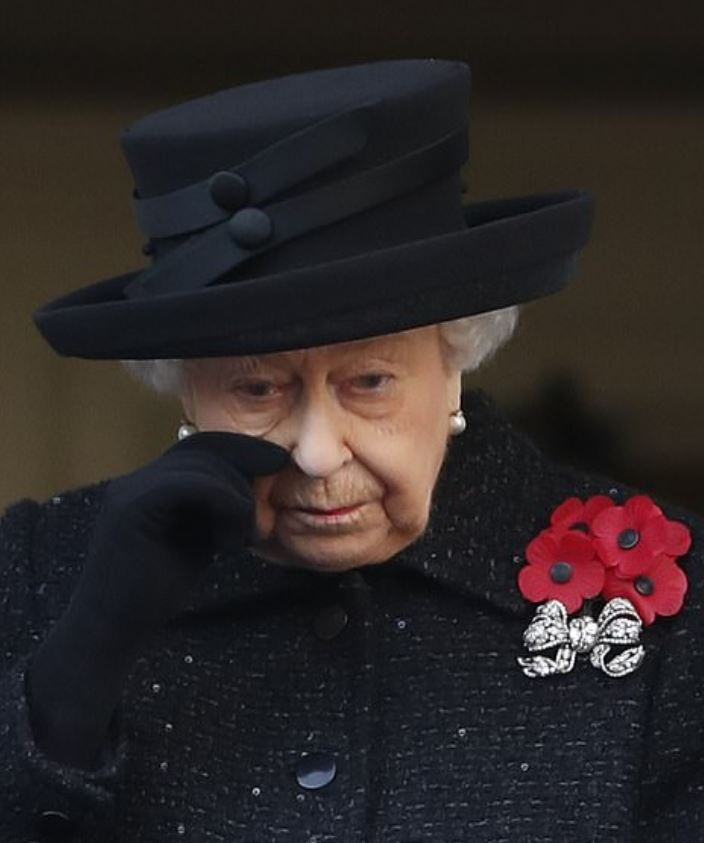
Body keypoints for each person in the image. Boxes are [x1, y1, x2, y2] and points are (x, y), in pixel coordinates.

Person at [1, 59, 701, 843]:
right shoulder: (32, 571)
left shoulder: (679, 615)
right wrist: (72, 678)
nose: (316, 451)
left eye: (369, 381)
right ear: (183, 387)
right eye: (259, 389)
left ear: (454, 362)